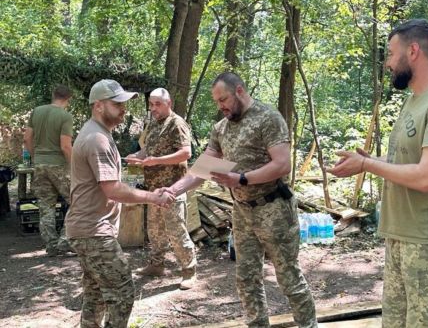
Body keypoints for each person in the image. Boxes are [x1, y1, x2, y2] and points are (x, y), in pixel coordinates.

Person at [328, 19, 428, 327]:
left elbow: (426, 177)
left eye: (392, 54)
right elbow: (408, 160)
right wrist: (367, 160)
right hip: (400, 236)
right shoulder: (415, 100)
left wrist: (367, 166)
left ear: (414, 51)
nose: (388, 63)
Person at [157, 72, 317, 328]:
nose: (221, 106)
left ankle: (308, 325)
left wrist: (241, 178)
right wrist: (173, 190)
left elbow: (282, 164)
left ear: (240, 91)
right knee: (246, 278)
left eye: (224, 99)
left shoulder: (268, 118)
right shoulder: (221, 128)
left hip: (274, 208)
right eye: (217, 102)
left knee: (288, 278)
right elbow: (204, 168)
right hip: (242, 212)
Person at [65, 79, 174, 328]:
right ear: (98, 106)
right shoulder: (97, 139)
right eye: (117, 104)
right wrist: (152, 197)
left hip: (87, 228)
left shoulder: (98, 133)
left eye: (124, 103)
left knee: (95, 292)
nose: (124, 109)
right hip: (93, 231)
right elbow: (112, 189)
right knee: (123, 292)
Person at [125, 88, 197, 289]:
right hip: (153, 189)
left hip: (172, 188)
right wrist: (137, 157)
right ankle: (156, 265)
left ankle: (189, 271)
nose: (153, 108)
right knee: (154, 230)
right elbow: (148, 150)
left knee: (176, 231)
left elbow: (185, 153)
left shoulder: (177, 123)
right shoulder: (153, 124)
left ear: (169, 103)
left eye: (157, 104)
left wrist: (155, 161)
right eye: (151, 104)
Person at [23, 85, 73, 256]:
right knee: (77, 200)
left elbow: (27, 137)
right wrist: (74, 166)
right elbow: (66, 146)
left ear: (53, 95)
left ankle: (51, 245)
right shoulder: (65, 116)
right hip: (59, 165)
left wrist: (36, 157)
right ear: (69, 99)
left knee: (46, 207)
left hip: (40, 164)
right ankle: (65, 240)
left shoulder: (36, 111)